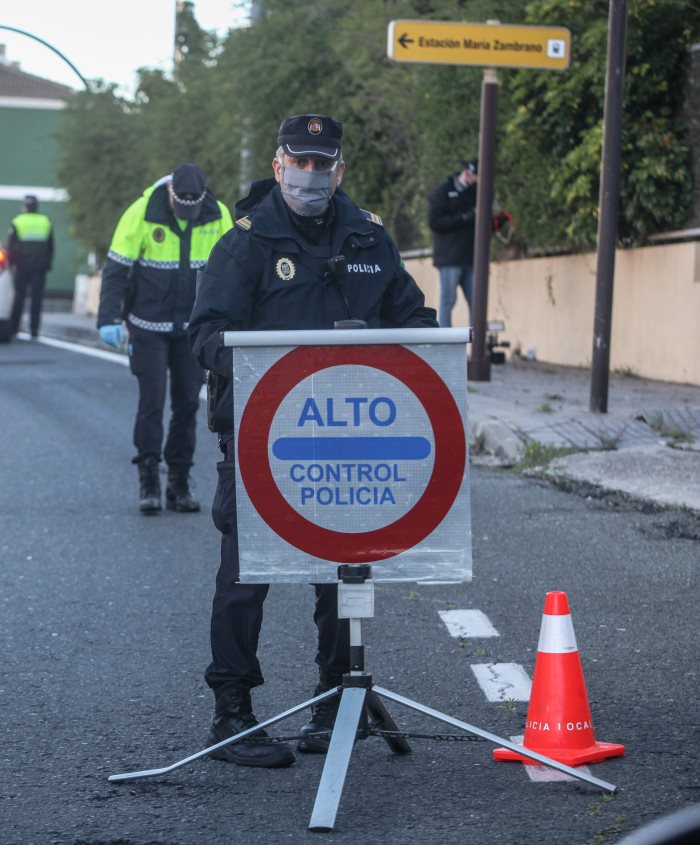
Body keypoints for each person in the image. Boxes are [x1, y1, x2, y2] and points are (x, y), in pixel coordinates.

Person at [188, 114, 438, 768]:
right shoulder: (244, 244)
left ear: (339, 170)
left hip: (351, 435)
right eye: (298, 163)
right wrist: (258, 361)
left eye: (321, 164)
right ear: (277, 166)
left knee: (344, 568)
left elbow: (414, 321)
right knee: (248, 572)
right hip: (260, 436)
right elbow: (206, 332)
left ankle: (337, 704)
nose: (309, 175)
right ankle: (232, 714)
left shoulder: (369, 239)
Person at [96, 164, 234, 515]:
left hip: (192, 329)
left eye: (193, 205)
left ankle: (179, 480)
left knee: (189, 404)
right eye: (180, 203)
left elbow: (234, 272)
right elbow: (116, 269)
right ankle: (148, 479)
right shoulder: (141, 212)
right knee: (152, 402)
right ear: (170, 191)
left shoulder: (218, 215)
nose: (187, 211)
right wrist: (109, 318)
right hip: (147, 324)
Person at [427, 158, 479, 328]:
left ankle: (477, 343)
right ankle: (445, 341)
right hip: (449, 258)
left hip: (469, 257)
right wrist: (463, 218)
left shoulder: (475, 193)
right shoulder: (443, 192)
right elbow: (435, 223)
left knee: (476, 302)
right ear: (467, 174)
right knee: (448, 301)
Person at [7, 195, 55, 338]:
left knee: (19, 297)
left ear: (24, 207)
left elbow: (11, 246)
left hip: (21, 266)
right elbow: (51, 246)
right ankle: (34, 330)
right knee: (37, 299)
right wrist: (48, 263)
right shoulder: (45, 222)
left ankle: (14, 328)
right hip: (39, 267)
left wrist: (11, 264)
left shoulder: (17, 221)